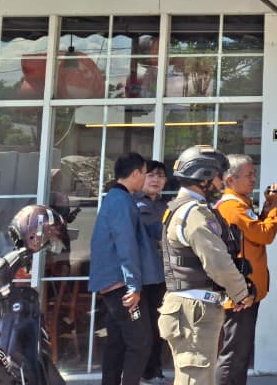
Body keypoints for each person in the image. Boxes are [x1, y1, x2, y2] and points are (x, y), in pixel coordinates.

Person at [158, 146, 254, 385]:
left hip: (191, 308)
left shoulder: (182, 207)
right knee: (196, 379)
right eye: (219, 176)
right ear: (204, 177)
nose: (221, 183)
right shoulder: (194, 212)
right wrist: (241, 293)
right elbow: (216, 262)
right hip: (194, 310)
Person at [89, 152, 164, 385]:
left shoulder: (115, 198)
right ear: (135, 173)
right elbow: (126, 244)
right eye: (145, 173)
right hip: (121, 284)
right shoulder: (121, 201)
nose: (146, 178)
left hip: (113, 282)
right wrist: (134, 286)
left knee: (118, 342)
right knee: (141, 342)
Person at [215, 155, 277, 385]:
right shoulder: (233, 207)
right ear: (230, 180)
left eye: (254, 174)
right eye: (249, 175)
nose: (254, 179)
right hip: (239, 293)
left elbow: (255, 232)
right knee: (233, 354)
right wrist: (274, 207)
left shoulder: (241, 205)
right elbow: (264, 235)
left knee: (239, 352)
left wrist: (268, 207)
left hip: (243, 290)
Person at [135, 160, 170, 385]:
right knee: (141, 328)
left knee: (159, 325)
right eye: (151, 175)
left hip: (162, 275)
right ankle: (139, 372)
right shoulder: (132, 203)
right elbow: (157, 230)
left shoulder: (166, 206)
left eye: (160, 176)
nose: (156, 179)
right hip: (139, 275)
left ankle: (153, 371)